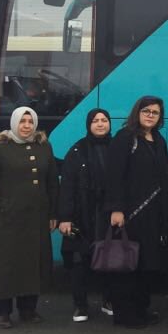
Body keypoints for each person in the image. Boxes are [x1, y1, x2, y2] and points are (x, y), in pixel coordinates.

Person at [0, 107, 58, 328]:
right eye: (22, 121)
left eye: (30, 121)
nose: (26, 126)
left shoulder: (44, 146)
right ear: (14, 122)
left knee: (32, 264)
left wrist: (53, 213)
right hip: (8, 220)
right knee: (5, 265)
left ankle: (27, 309)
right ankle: (1, 311)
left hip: (37, 218)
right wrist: (3, 206)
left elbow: (52, 182)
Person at [104, 95, 168, 329]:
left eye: (155, 112)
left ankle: (141, 309)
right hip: (131, 214)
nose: (151, 116)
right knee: (127, 265)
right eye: (146, 111)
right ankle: (125, 315)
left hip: (153, 215)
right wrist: (116, 208)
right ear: (137, 112)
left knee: (146, 264)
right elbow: (114, 175)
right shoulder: (125, 138)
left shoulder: (158, 139)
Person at [58, 108, 112, 322]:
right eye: (95, 121)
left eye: (104, 120)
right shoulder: (77, 150)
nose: (100, 124)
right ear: (88, 125)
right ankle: (80, 306)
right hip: (82, 215)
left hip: (108, 214)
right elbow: (67, 186)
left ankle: (109, 300)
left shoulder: (117, 147)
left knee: (110, 259)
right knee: (80, 262)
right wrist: (65, 217)